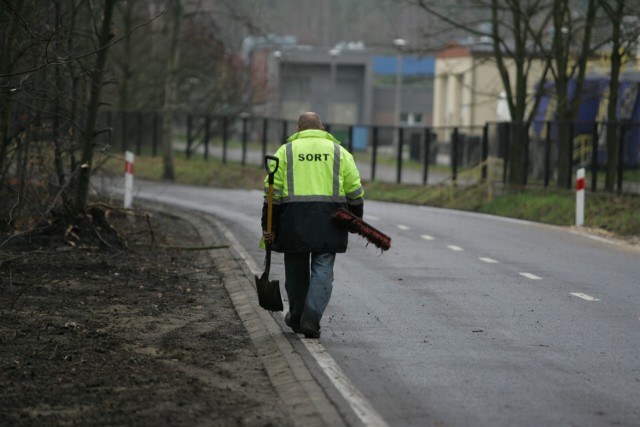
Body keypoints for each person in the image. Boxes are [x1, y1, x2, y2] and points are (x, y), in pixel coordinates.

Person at [261, 112, 364, 338]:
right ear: (323, 128)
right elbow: (354, 190)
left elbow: (272, 194)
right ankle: (311, 319)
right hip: (331, 220)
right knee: (323, 270)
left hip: (293, 221)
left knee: (296, 272)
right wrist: (356, 218)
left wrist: (269, 226)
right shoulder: (339, 153)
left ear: (299, 130)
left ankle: (296, 316)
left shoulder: (285, 152)